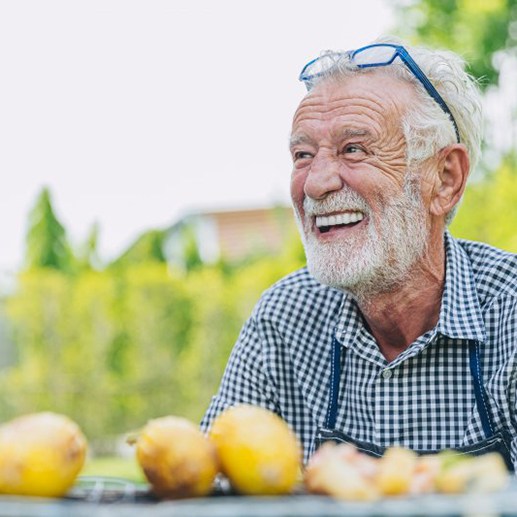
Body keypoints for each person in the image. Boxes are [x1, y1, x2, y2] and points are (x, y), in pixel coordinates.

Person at [200, 36, 517, 470]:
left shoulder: (509, 312)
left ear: (444, 179)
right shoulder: (284, 318)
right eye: (302, 155)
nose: (315, 183)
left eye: (354, 149)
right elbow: (209, 486)